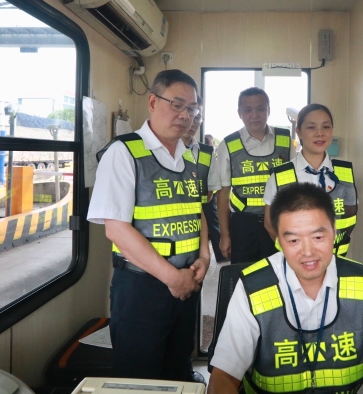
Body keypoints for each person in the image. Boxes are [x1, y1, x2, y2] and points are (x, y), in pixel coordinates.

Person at [208, 183, 363, 394]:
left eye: (318, 237)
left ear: (334, 232)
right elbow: (222, 377)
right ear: (278, 241)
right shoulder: (254, 286)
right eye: (293, 240)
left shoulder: (360, 281)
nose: (308, 252)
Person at [87, 69, 210, 381]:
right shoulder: (124, 152)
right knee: (139, 377)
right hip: (142, 289)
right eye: (177, 105)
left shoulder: (189, 158)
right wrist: (173, 278)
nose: (185, 115)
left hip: (186, 284)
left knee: (178, 369)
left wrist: (204, 257)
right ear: (153, 102)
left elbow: (197, 211)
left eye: (192, 108)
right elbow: (116, 229)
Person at [210, 87, 292, 263]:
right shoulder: (228, 144)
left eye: (260, 109)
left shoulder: (285, 140)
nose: (255, 115)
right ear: (239, 113)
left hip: (279, 221)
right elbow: (223, 193)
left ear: (268, 110)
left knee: (279, 271)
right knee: (244, 273)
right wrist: (225, 234)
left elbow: (295, 186)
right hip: (243, 225)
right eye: (248, 110)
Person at [263, 104, 357, 257]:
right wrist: (295, 254)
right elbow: (270, 224)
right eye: (311, 127)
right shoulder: (280, 177)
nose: (320, 133)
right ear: (298, 132)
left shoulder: (345, 173)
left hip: (336, 260)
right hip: (298, 261)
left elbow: (349, 218)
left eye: (326, 127)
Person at [181, 96, 225, 263]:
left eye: (197, 116)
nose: (192, 121)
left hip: (198, 222)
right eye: (188, 113)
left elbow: (210, 193)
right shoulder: (159, 150)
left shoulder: (207, 152)